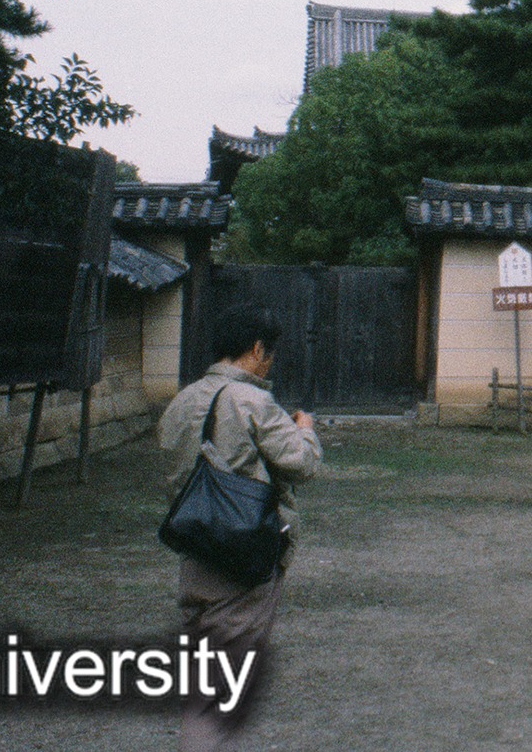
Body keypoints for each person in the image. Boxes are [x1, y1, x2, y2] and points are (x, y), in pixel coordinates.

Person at [159, 305, 323, 750]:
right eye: (269, 355)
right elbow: (301, 463)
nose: (269, 364)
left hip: (195, 549)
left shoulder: (183, 399)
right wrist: (305, 430)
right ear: (256, 349)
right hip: (243, 556)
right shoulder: (251, 400)